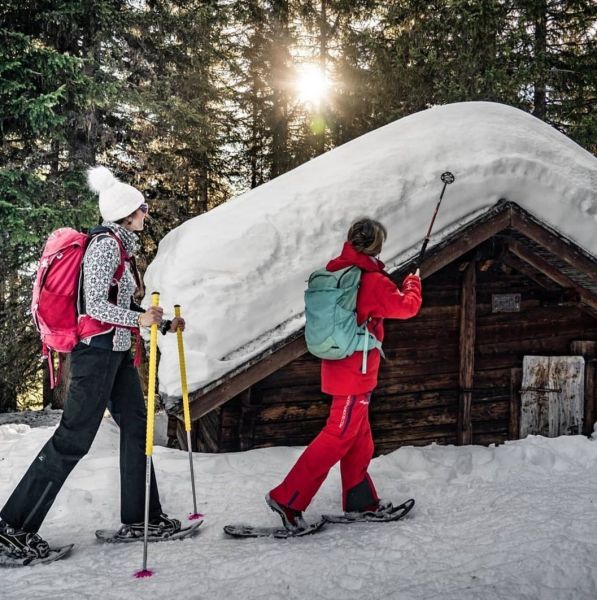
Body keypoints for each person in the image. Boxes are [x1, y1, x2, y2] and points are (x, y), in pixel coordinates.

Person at [0, 166, 184, 561]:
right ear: (125, 214)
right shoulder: (104, 247)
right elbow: (93, 305)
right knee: (73, 439)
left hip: (115, 354)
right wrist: (139, 319)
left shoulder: (119, 245)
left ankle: (141, 517)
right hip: (96, 354)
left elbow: (117, 303)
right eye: (141, 208)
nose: (146, 213)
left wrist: (162, 323)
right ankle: (11, 527)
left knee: (137, 426)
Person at [266, 217, 422, 531]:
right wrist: (413, 283)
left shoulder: (337, 271)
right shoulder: (370, 281)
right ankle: (287, 498)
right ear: (377, 246)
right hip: (355, 373)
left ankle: (360, 500)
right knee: (336, 438)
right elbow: (407, 308)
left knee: (359, 440)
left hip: (339, 366)